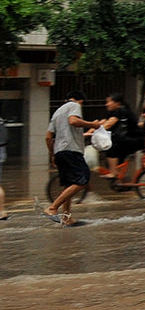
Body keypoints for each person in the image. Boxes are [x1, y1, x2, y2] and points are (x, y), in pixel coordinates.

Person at [44, 90, 100, 226]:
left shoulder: (56, 113)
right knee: (83, 180)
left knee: (69, 184)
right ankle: (52, 208)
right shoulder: (74, 105)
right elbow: (73, 121)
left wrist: (52, 155)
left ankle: (66, 217)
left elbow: (48, 137)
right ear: (78, 100)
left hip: (60, 152)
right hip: (71, 150)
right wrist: (93, 125)